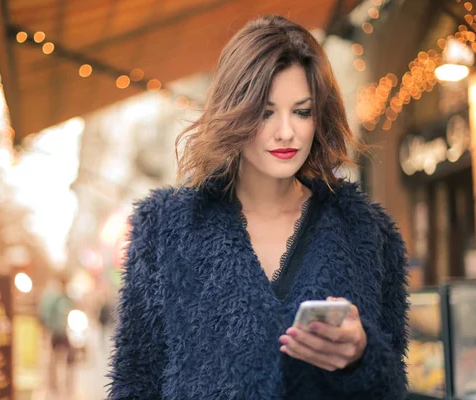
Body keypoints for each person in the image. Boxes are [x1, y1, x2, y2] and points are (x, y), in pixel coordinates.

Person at [108, 15, 408, 400]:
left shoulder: (367, 232)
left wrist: (361, 357)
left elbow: (393, 387)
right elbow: (135, 383)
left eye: (302, 111)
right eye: (266, 112)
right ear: (236, 110)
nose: (286, 131)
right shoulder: (166, 230)